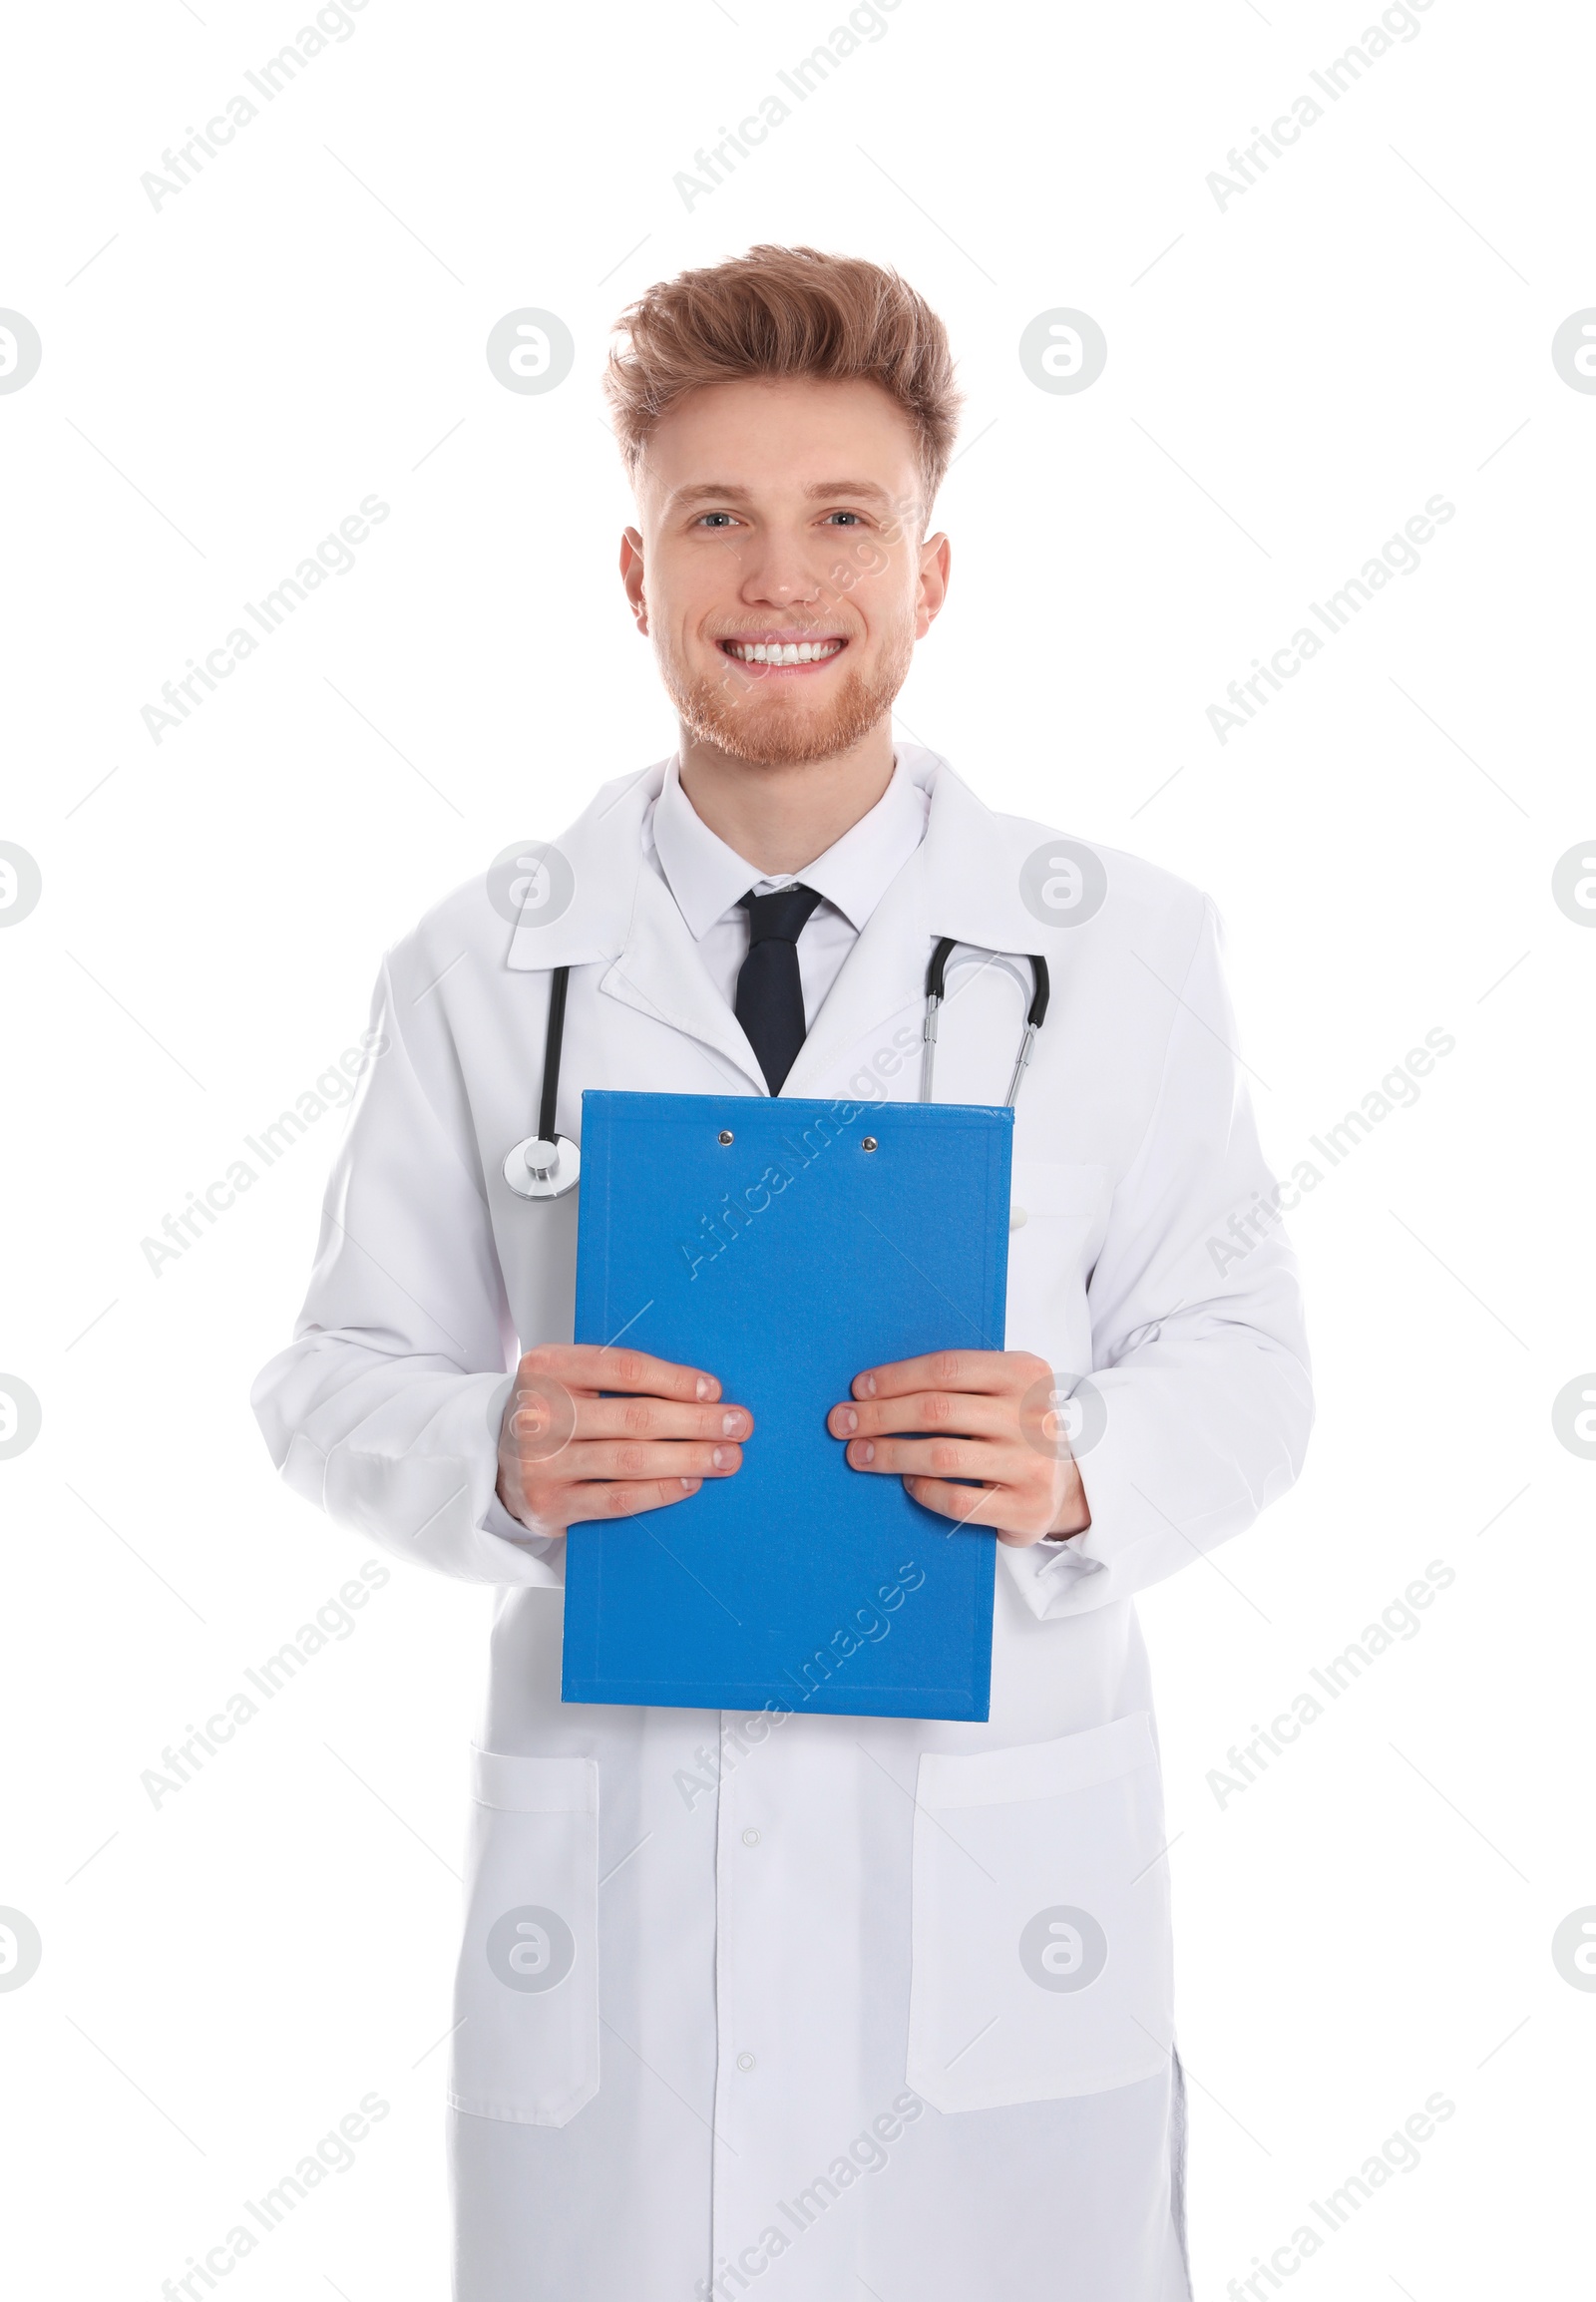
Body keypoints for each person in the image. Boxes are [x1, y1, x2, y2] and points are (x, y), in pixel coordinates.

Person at [252, 243, 1312, 2302]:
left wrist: (1080, 1459)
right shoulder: (486, 962)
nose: (777, 571)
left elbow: (1247, 1359)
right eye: (711, 516)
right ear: (633, 576)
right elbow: (328, 1371)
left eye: (844, 513)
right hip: (618, 1917)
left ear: (928, 575)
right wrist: (491, 1441)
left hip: (996, 1915)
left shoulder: (1123, 948)